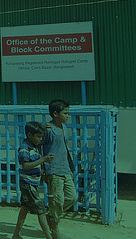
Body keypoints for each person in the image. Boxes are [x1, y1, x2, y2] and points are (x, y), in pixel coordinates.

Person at [13, 121, 55, 239]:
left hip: (32, 182)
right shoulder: (24, 148)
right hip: (28, 183)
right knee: (41, 210)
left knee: (24, 208)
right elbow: (25, 165)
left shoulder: (34, 146)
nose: (40, 139)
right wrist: (43, 160)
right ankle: (48, 236)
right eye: (38, 137)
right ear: (29, 135)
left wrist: (46, 126)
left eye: (41, 137)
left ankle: (16, 234)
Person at [42, 99, 76, 239]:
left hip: (65, 169)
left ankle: (50, 216)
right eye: (65, 113)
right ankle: (55, 231)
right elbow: (38, 144)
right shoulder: (48, 130)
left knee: (72, 197)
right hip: (53, 170)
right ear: (55, 114)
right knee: (56, 200)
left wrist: (70, 168)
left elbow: (65, 149)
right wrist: (42, 166)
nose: (67, 116)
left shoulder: (64, 128)